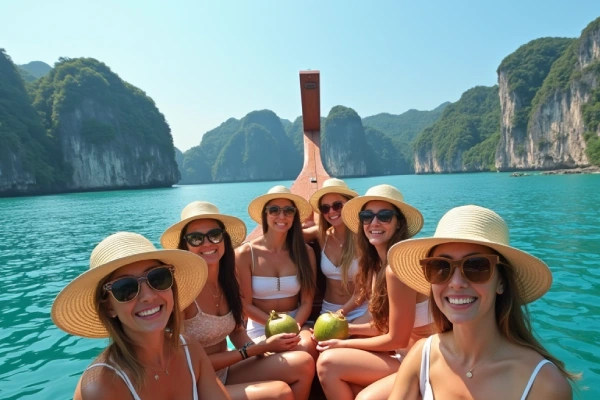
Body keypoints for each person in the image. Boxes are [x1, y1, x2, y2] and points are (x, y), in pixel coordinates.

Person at [387, 205, 576, 400]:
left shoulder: (544, 384)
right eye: (440, 267)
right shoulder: (421, 357)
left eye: (477, 266)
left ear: (501, 282)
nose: (457, 283)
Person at [161, 201, 315, 400]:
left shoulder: (226, 282)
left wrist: (265, 354)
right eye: (196, 238)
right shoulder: (182, 294)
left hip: (224, 372)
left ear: (223, 239)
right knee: (280, 393)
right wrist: (257, 349)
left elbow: (237, 332)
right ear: (185, 245)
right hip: (193, 384)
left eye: (214, 235)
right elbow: (185, 363)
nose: (207, 243)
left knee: (303, 363)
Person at [51, 232, 230, 400]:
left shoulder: (191, 349)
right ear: (108, 308)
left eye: (158, 278)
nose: (149, 296)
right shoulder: (102, 386)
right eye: (125, 289)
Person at [316, 184, 434, 400]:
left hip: (425, 361)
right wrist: (347, 329)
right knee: (337, 371)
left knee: (332, 368)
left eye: (385, 216)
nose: (374, 223)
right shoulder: (375, 265)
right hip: (402, 355)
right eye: (367, 216)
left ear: (399, 223)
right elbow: (385, 327)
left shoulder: (398, 269)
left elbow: (396, 338)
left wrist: (344, 341)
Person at [236, 186, 318, 359]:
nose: (282, 216)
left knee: (305, 350)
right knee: (272, 359)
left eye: (288, 210)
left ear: (294, 216)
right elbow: (246, 305)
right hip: (260, 325)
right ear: (265, 215)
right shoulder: (245, 254)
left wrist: (294, 326)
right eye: (274, 210)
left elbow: (306, 301)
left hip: (297, 321)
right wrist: (275, 326)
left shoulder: (305, 253)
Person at [304, 178, 367, 321]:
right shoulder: (321, 236)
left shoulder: (364, 239)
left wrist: (340, 313)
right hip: (328, 311)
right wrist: (306, 220)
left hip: (360, 310)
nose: (331, 211)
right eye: (325, 208)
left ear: (350, 205)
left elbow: (363, 291)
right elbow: (286, 236)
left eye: (337, 205)